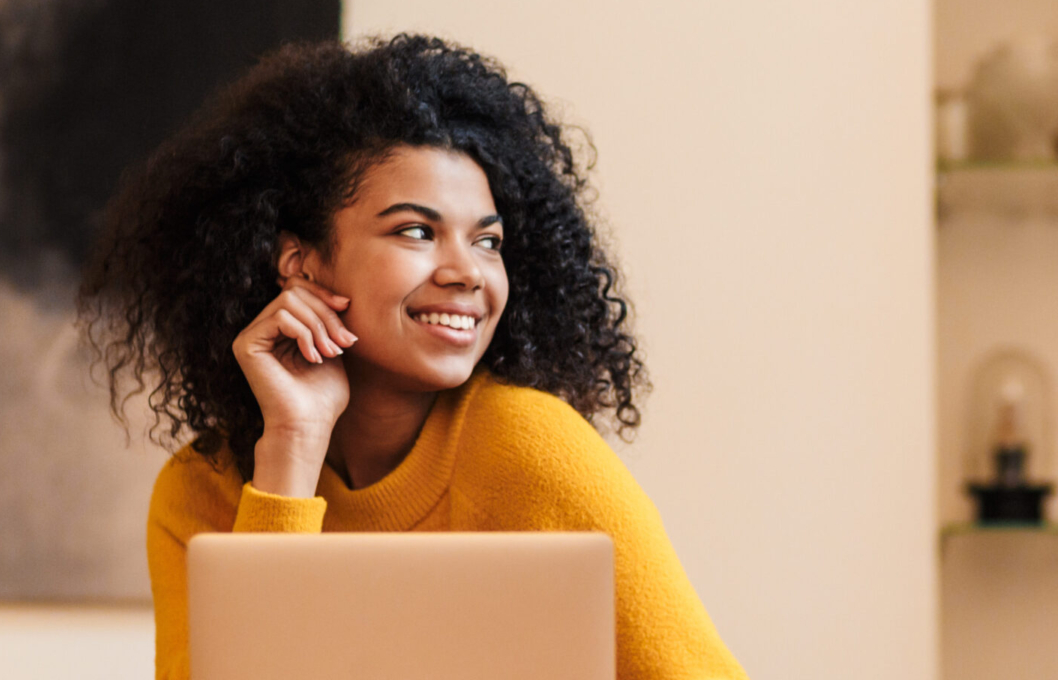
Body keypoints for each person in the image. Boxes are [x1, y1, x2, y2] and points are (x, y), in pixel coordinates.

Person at [78, 34, 747, 680]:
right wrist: (292, 446)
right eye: (417, 231)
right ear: (300, 262)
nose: (467, 272)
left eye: (487, 242)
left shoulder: (533, 452)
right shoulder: (202, 494)